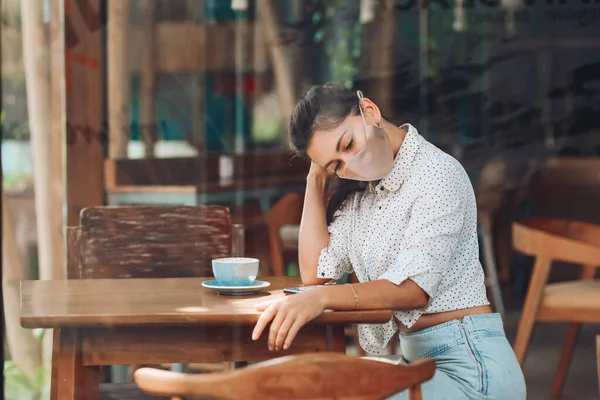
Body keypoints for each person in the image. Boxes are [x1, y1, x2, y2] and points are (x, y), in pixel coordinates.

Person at [252, 83, 526, 399]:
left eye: (348, 144)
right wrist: (315, 179)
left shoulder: (437, 174)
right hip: (417, 364)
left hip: (470, 368)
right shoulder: (362, 195)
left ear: (370, 111)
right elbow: (315, 274)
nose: (349, 164)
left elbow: (413, 290)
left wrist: (322, 299)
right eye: (336, 165)